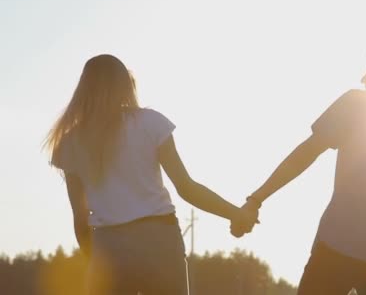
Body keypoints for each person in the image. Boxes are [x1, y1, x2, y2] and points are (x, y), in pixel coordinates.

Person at [232, 43, 366, 295]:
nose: (363, 77)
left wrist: (257, 199)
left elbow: (305, 153)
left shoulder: (358, 106)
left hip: (347, 253)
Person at [44, 54, 258, 295]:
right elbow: (186, 187)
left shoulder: (69, 142)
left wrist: (97, 265)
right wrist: (235, 213)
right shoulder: (150, 122)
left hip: (109, 245)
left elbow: (80, 219)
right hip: (159, 239)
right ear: (125, 84)